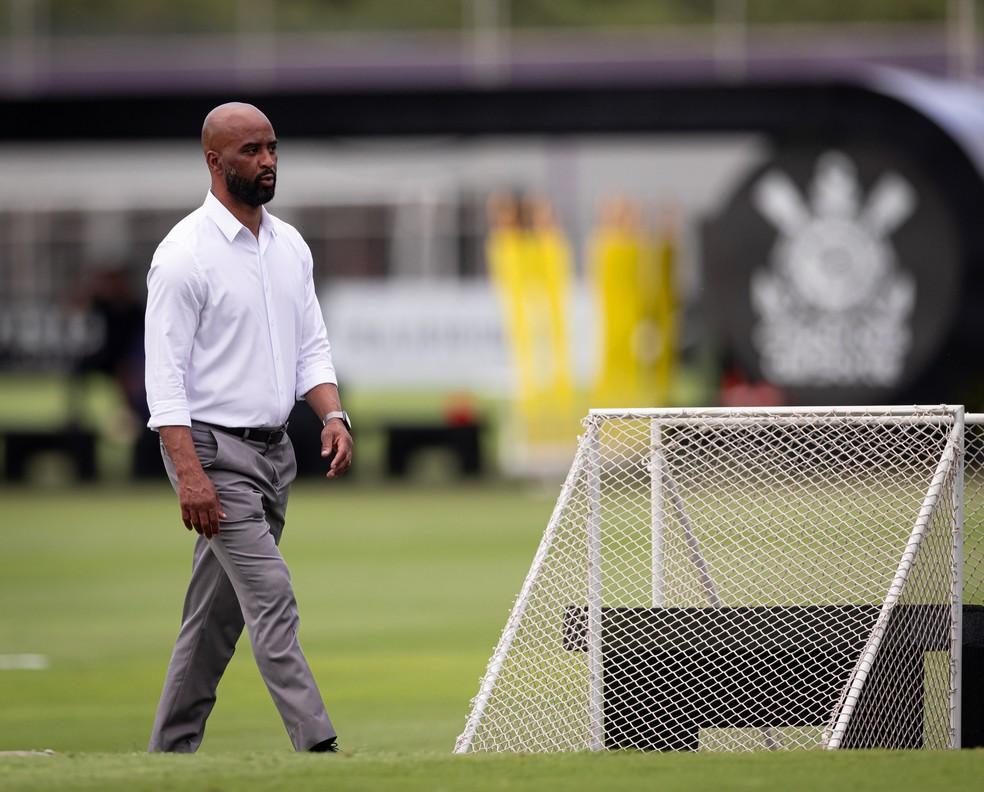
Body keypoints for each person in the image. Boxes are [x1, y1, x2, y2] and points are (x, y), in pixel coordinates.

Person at [144, 102, 353, 754]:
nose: (267, 162)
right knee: (272, 596)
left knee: (213, 622)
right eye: (250, 151)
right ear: (214, 161)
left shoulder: (289, 245)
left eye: (272, 148)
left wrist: (333, 413)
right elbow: (165, 381)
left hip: (274, 454)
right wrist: (189, 474)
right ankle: (317, 745)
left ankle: (167, 754)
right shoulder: (183, 257)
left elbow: (310, 346)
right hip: (212, 454)